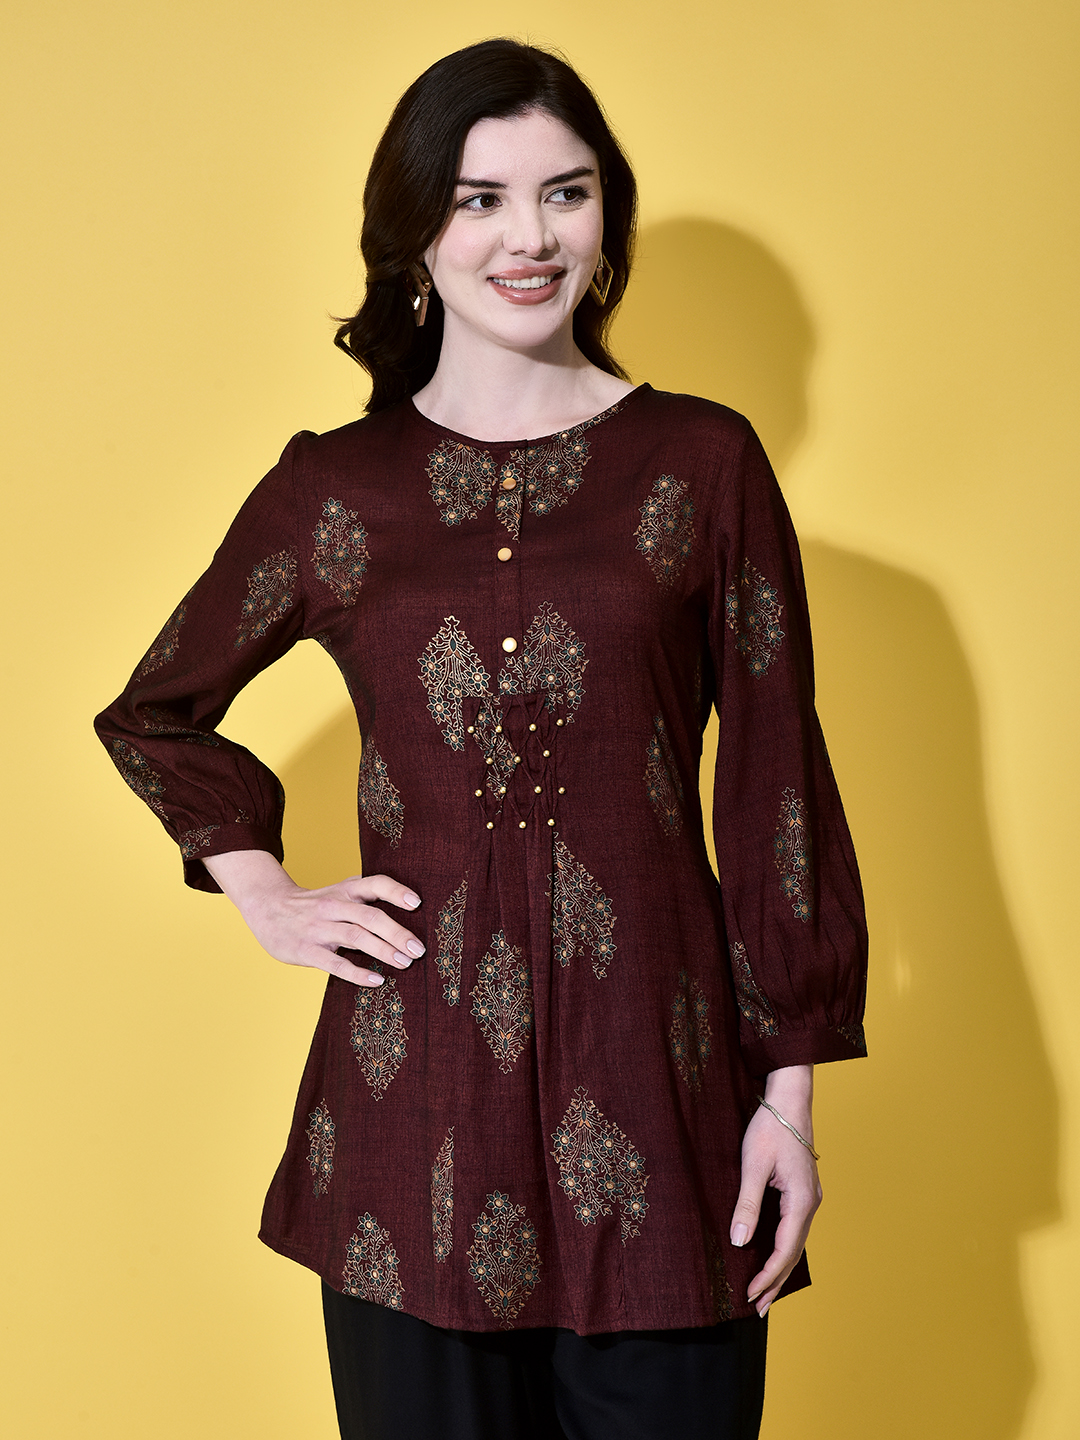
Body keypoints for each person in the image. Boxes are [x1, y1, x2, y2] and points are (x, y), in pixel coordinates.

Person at [95, 37, 867, 1440]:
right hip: (411, 1136)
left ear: (607, 217)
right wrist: (262, 888)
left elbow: (775, 789)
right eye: (481, 200)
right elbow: (153, 714)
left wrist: (789, 1107)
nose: (531, 238)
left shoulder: (704, 465)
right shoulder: (335, 490)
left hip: (667, 1112)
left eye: (566, 194)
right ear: (415, 234)